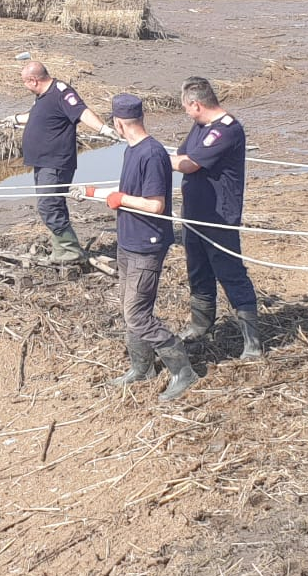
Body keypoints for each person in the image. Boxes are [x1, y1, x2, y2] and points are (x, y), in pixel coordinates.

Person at [79, 95, 204, 400]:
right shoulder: (131, 150)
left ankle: (184, 371)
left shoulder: (152, 154)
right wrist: (95, 192)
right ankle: (142, 367)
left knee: (137, 314)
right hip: (128, 241)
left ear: (119, 123)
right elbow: (131, 192)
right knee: (129, 308)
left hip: (146, 246)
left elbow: (155, 205)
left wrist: (119, 198)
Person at [169, 77, 263, 361]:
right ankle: (201, 325)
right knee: (198, 270)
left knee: (230, 273)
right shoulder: (200, 126)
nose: (186, 112)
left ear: (197, 105)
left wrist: (152, 158)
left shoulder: (226, 130)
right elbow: (182, 153)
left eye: (187, 107)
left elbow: (188, 163)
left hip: (218, 216)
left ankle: (252, 342)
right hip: (194, 213)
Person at [14, 62, 114, 264]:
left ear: (33, 80)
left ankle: (70, 251)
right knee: (53, 205)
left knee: (48, 206)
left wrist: (103, 129)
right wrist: (15, 119)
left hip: (56, 163)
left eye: (24, 82)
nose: (24, 86)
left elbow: (82, 112)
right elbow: (39, 116)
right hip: (43, 162)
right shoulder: (43, 96)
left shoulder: (61, 92)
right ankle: (60, 250)